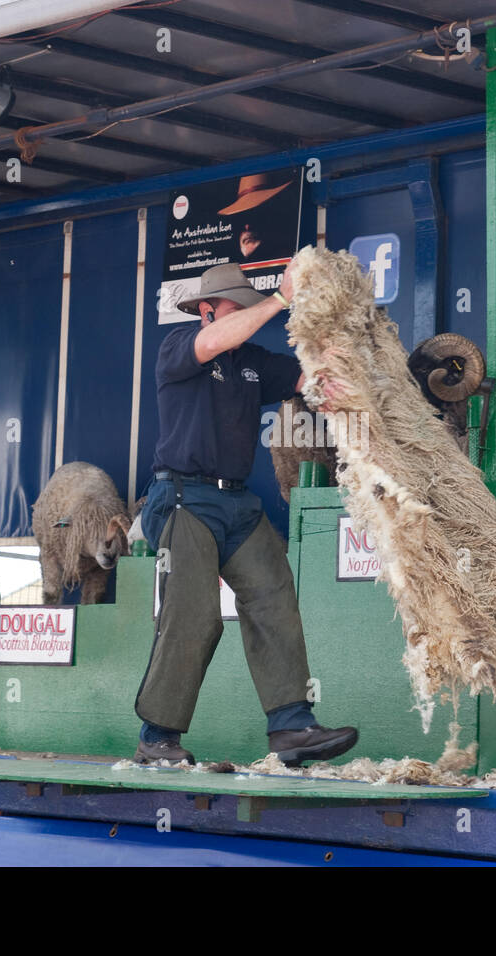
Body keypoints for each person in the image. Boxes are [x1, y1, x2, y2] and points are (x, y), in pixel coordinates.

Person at [135, 262, 358, 767]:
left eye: (245, 306)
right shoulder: (178, 348)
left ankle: (291, 727)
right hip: (181, 499)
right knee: (194, 616)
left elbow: (311, 381)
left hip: (236, 503)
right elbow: (215, 342)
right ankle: (157, 737)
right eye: (234, 307)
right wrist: (279, 301)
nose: (245, 319)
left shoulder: (254, 361)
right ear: (207, 311)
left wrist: (348, 358)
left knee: (274, 596)